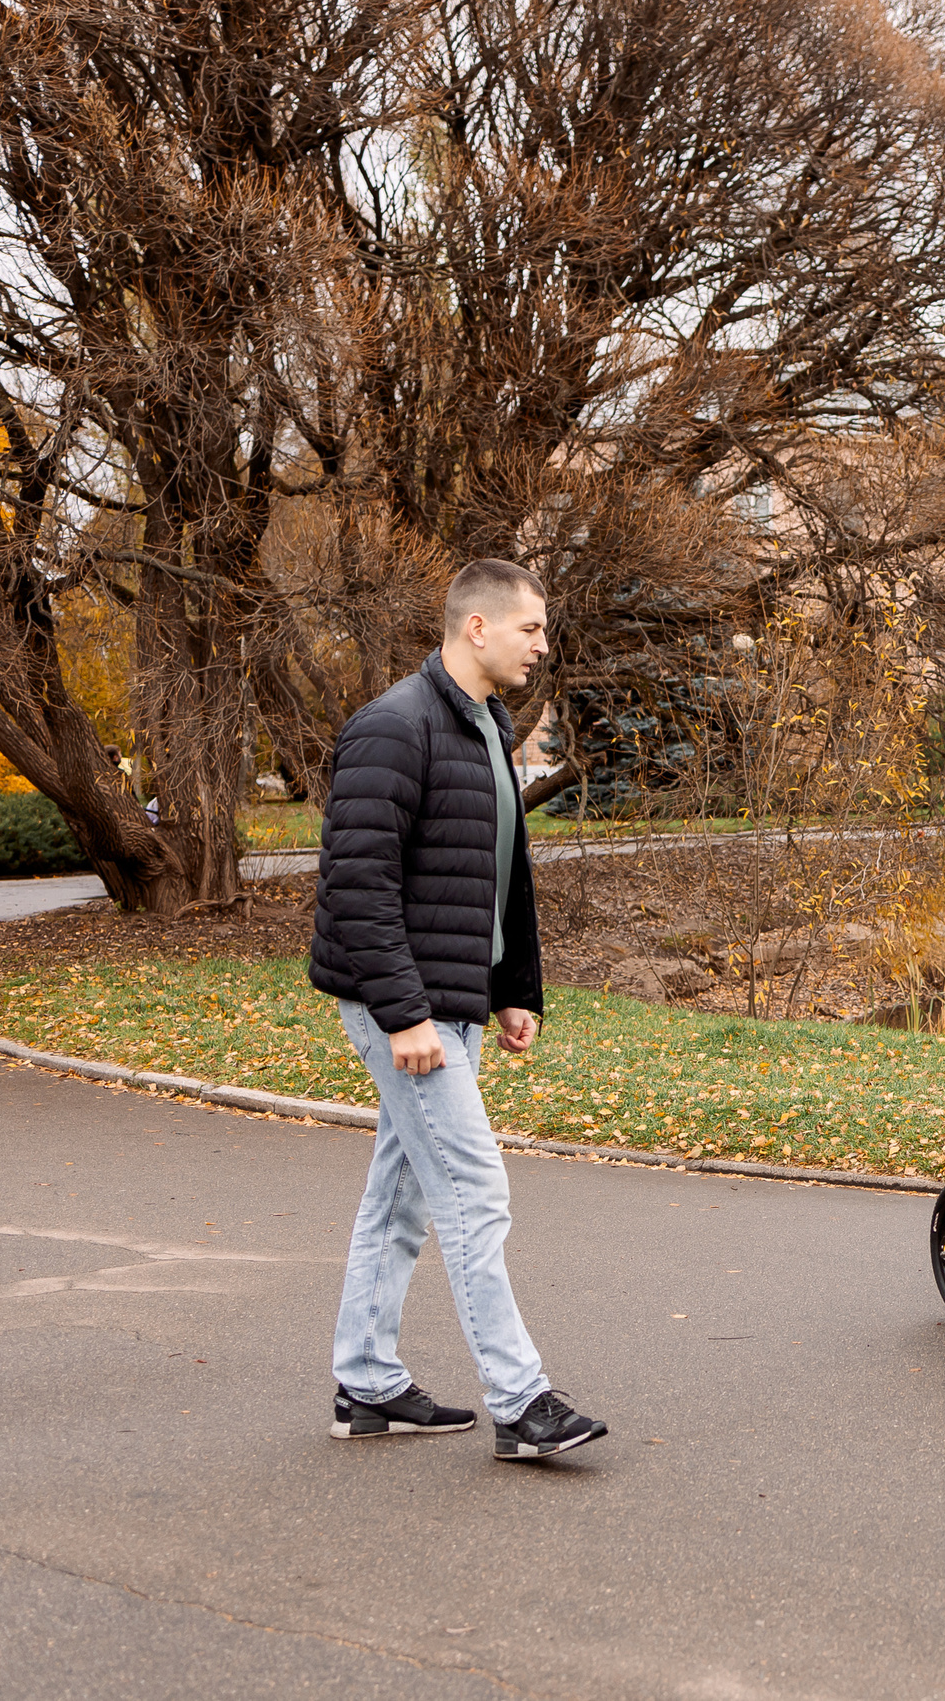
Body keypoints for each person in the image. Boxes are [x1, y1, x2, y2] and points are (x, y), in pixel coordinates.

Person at [312, 558, 608, 1461]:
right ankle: (521, 1402)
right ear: (476, 626)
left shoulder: (485, 723)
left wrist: (511, 988)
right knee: (475, 1189)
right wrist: (404, 1015)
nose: (543, 645)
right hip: (406, 1007)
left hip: (454, 999)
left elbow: (497, 871)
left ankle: (366, 1382)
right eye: (531, 628)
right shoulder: (394, 726)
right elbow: (358, 884)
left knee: (401, 1196)